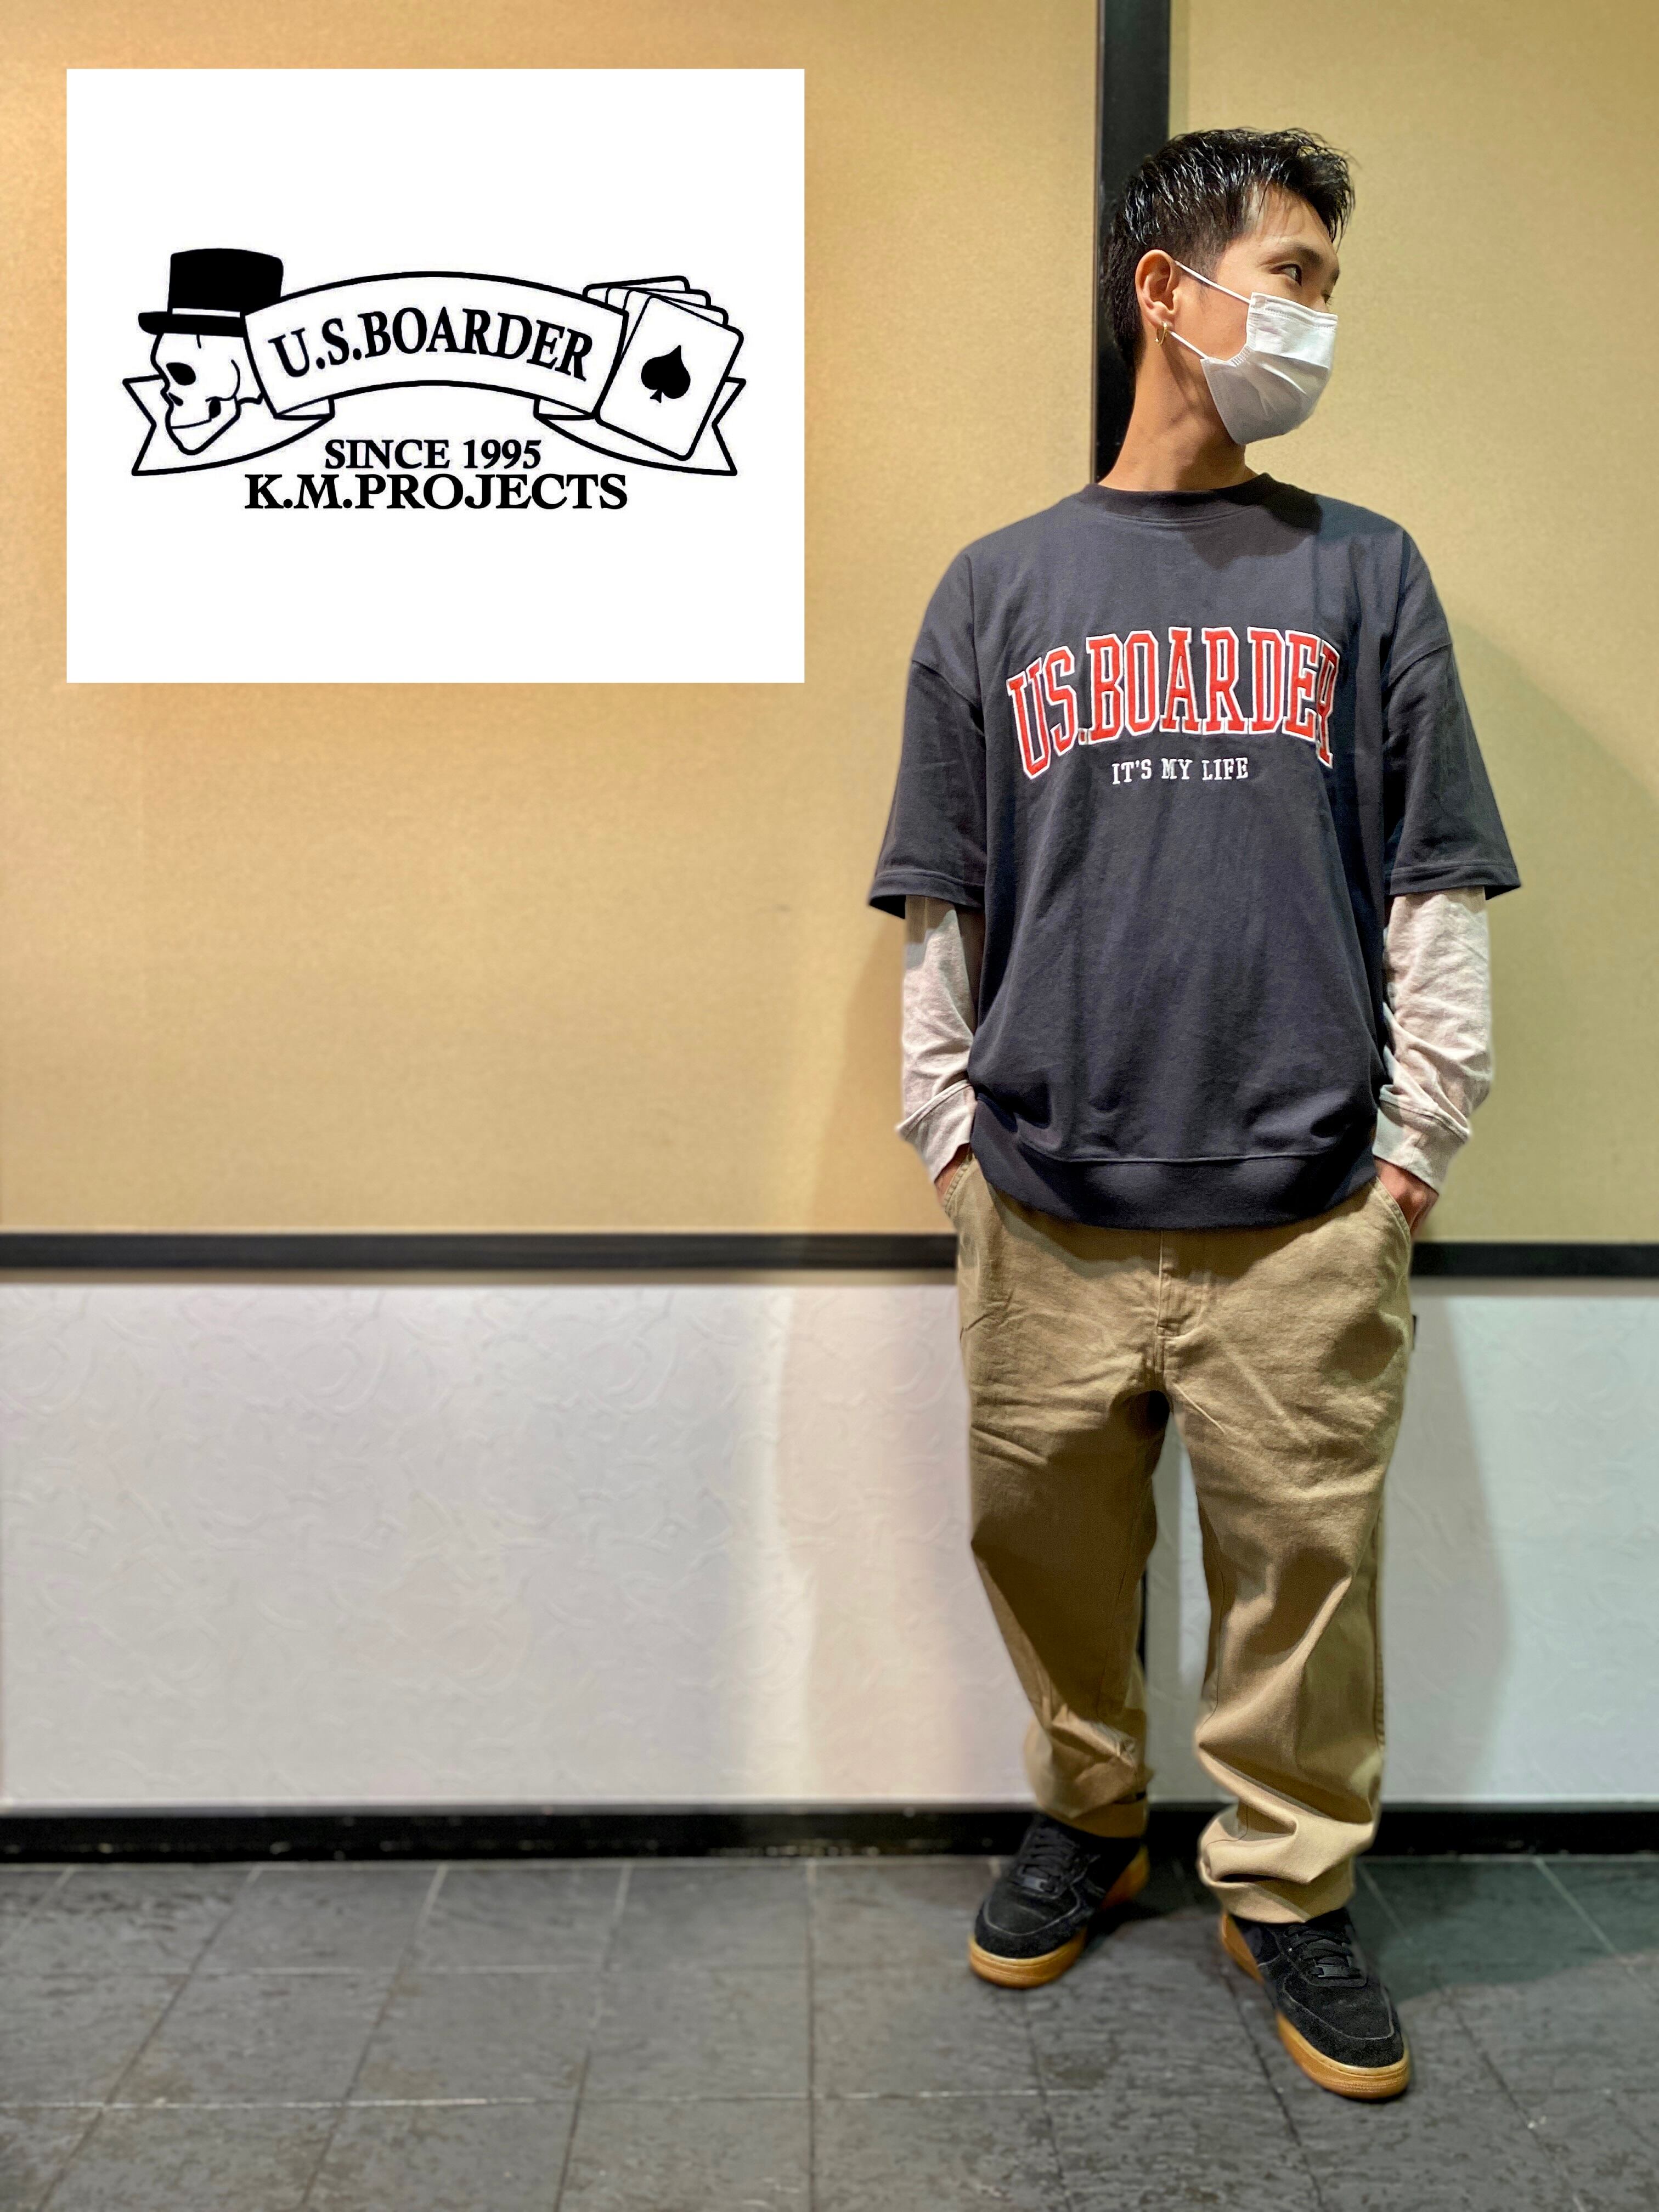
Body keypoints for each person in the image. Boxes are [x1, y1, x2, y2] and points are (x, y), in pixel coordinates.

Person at [866, 127, 1519, 2102]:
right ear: (1172, 289)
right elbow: (942, 903)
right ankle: (1090, 1814)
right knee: (1042, 1555)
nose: (1317, 317)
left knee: (1303, 1591)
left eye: (1327, 285)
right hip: (1043, 1203)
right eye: (1293, 275)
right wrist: (952, 1145)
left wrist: (1412, 1156)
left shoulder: (1363, 572)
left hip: (1308, 1204)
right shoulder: (1000, 588)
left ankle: (1291, 1887)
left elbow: (1437, 883)